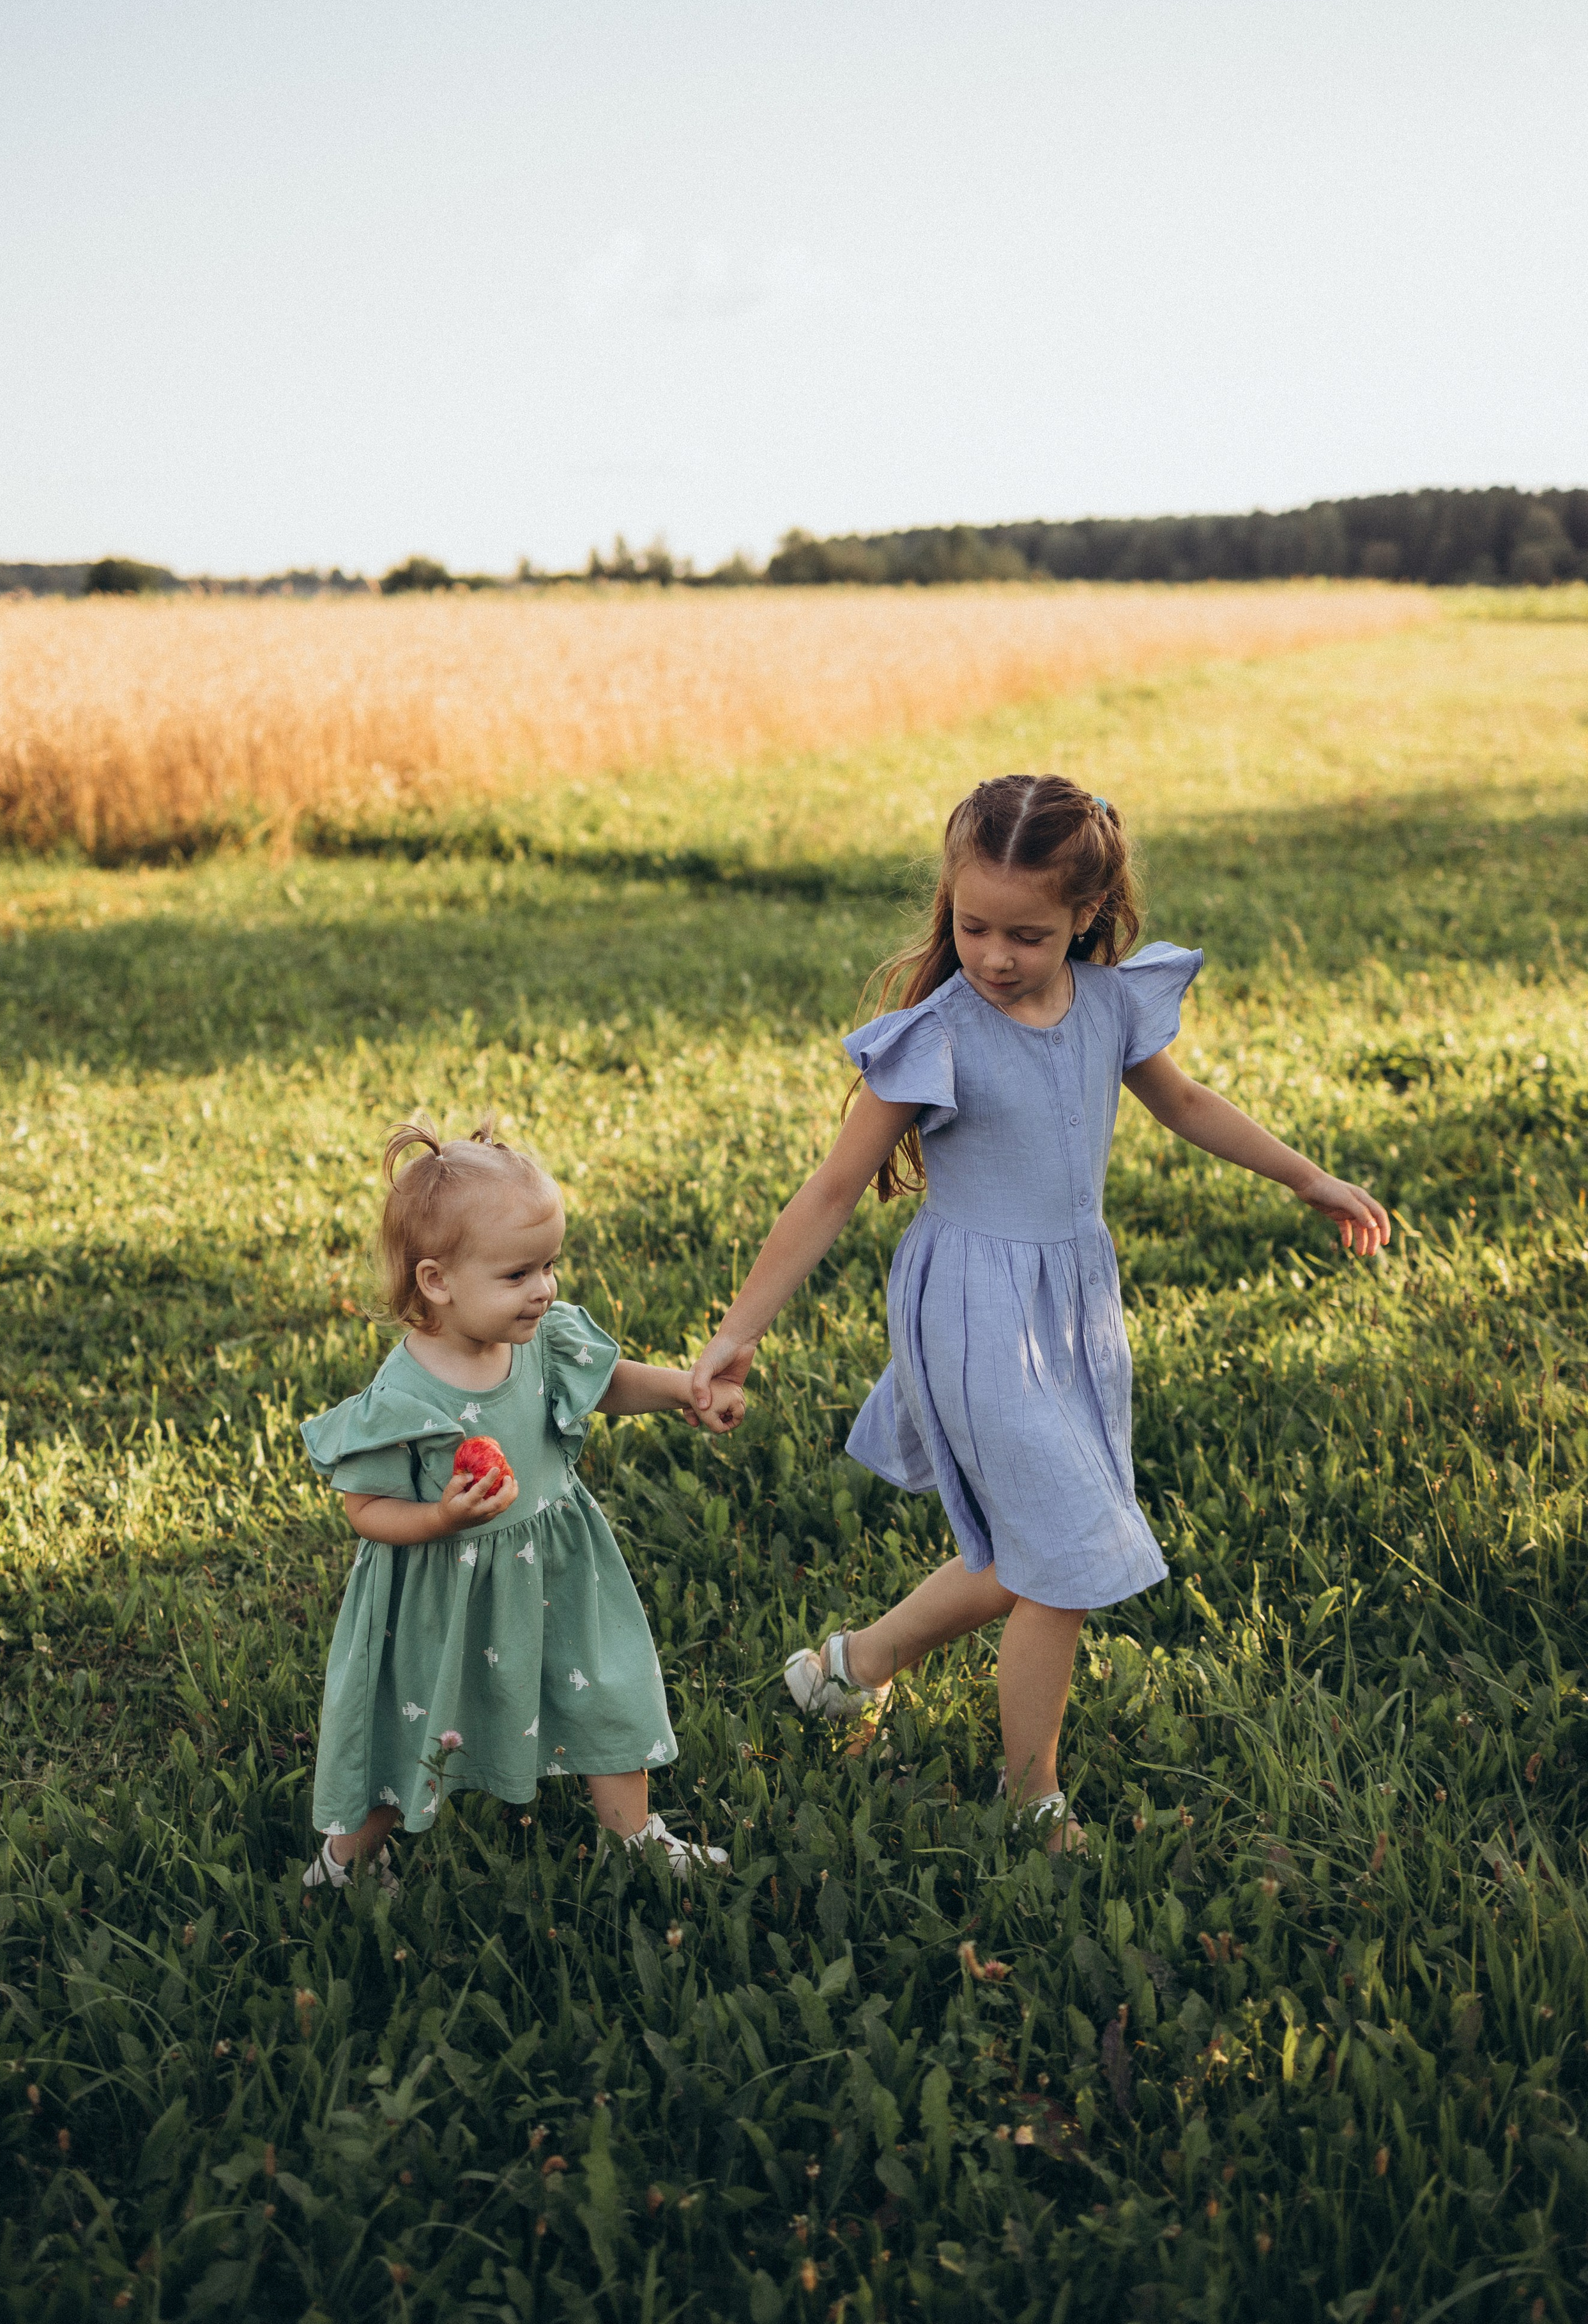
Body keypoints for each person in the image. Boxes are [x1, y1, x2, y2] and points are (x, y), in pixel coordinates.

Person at [689, 773, 1389, 1848]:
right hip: (970, 1310)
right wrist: (738, 1333)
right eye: (973, 927)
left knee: (1028, 1549)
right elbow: (831, 1190)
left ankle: (851, 1667)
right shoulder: (936, 1036)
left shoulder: (1109, 1005)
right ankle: (1031, 1803)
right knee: (1061, 1560)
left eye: (1027, 934)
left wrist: (1309, 1177)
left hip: (1071, 1308)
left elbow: (1187, 1103)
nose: (995, 956)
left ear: (1087, 914)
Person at [299, 1118, 744, 1894]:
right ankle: (346, 1864)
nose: (545, 1289)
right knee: (409, 1742)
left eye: (550, 1266)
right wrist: (442, 1518)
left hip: (555, 1570)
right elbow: (363, 1508)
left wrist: (684, 1390)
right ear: (436, 1281)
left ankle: (635, 1838)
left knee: (607, 1692)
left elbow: (605, 1383)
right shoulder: (403, 1398)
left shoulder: (538, 1339)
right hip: (442, 1601)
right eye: (518, 1274)